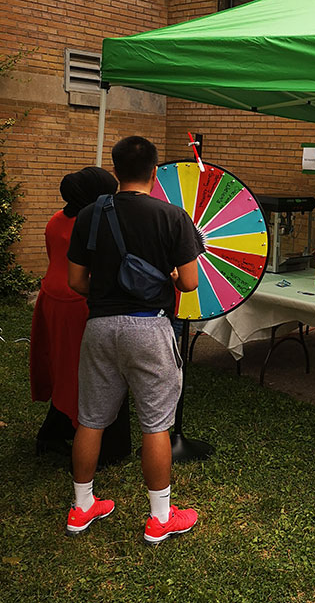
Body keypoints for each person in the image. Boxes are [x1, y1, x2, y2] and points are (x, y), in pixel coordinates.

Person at [65, 136, 205, 543]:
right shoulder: (172, 216)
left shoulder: (90, 214)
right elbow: (191, 283)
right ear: (155, 172)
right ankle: (160, 518)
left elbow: (76, 281)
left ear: (114, 171)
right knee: (156, 423)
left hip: (99, 327)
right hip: (149, 327)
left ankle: (82, 506)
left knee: (91, 418)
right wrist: (173, 277)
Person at [29, 166, 131, 464]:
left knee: (65, 368)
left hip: (52, 299)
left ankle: (54, 431)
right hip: (80, 303)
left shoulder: (55, 221)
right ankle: (99, 443)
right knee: (95, 372)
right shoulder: (92, 225)